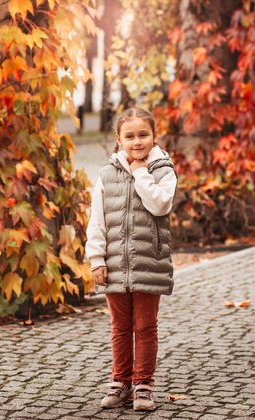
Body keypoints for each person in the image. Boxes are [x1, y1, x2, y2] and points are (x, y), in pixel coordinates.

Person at [85, 107, 178, 411]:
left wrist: (140, 173)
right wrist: (96, 259)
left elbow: (161, 205)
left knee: (145, 327)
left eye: (143, 135)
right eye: (130, 136)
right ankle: (120, 381)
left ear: (154, 136)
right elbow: (96, 219)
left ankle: (143, 385)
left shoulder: (163, 170)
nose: (136, 141)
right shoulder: (107, 174)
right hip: (114, 265)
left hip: (148, 262)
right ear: (118, 139)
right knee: (119, 327)